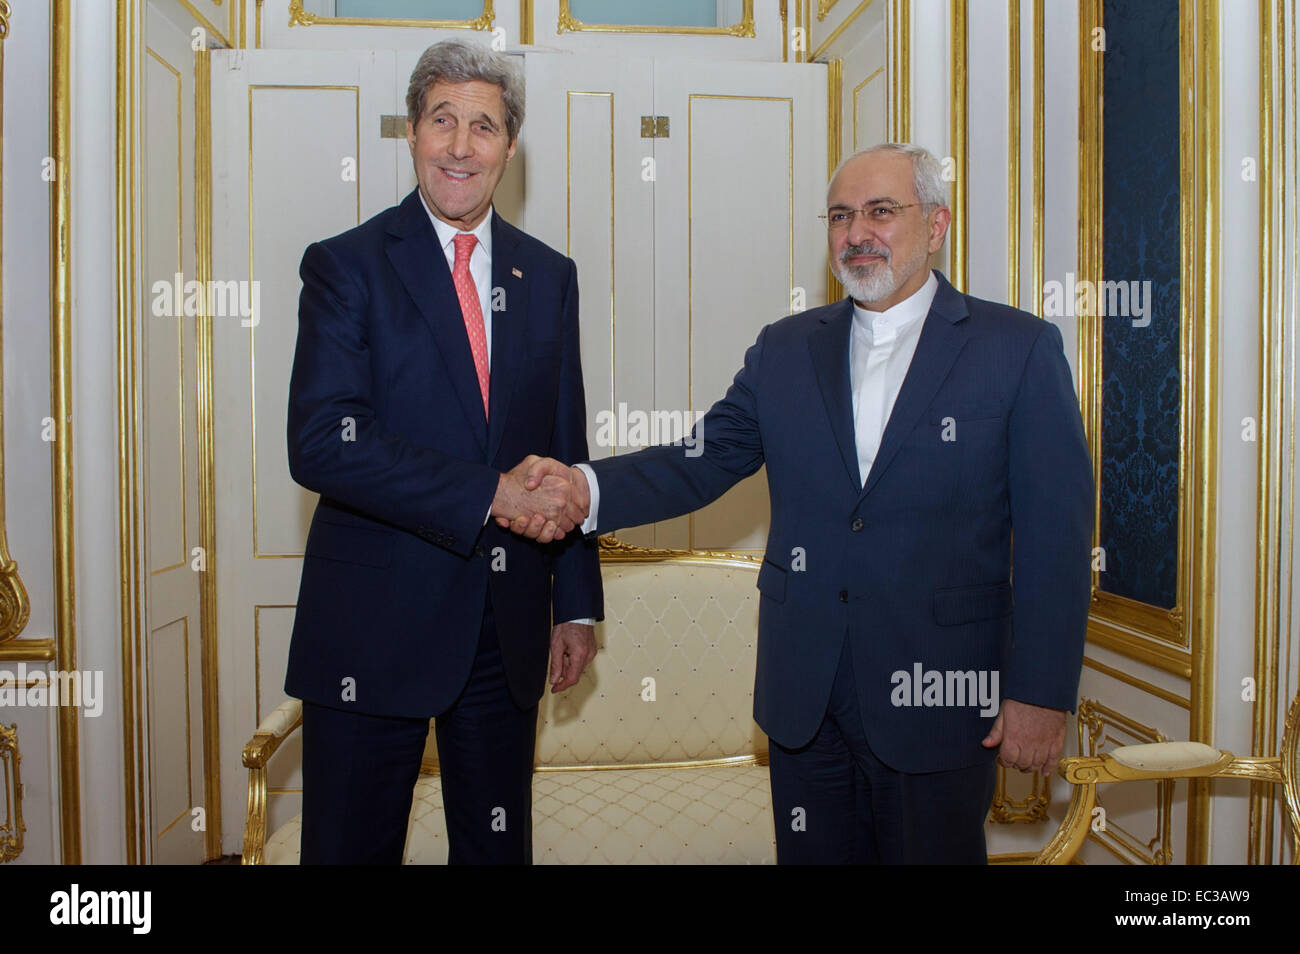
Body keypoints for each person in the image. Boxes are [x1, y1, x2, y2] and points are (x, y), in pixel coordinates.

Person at [510, 143, 1093, 864]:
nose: (857, 233)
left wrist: (1040, 692)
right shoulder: (787, 349)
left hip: (938, 699)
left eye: (882, 211)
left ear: (936, 226)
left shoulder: (1019, 350)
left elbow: (1056, 540)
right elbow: (702, 460)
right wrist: (583, 488)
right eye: (841, 216)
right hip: (804, 694)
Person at [284, 39, 600, 865]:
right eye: (443, 121)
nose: (461, 145)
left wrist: (575, 601)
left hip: (509, 631)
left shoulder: (549, 276)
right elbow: (322, 442)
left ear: (510, 146)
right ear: (413, 132)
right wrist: (491, 494)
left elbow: (567, 444)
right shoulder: (346, 266)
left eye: (484, 126)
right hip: (369, 632)